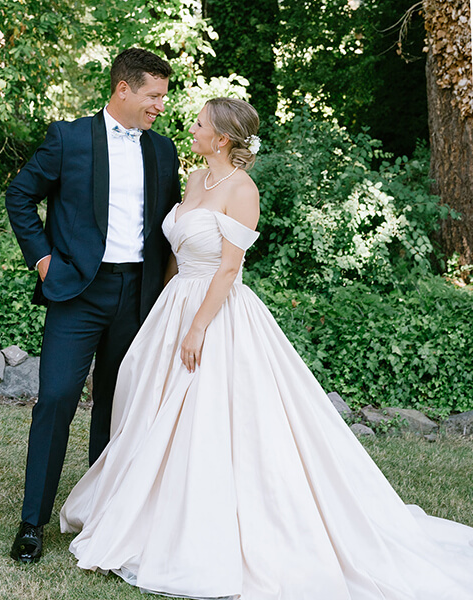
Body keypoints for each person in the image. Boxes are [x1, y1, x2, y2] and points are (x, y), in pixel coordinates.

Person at [59, 97, 473, 599]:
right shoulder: (194, 180)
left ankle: (209, 525)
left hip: (216, 311)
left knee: (211, 418)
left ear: (223, 138)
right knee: (152, 410)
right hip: (174, 305)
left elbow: (229, 269)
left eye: (200, 124)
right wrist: (163, 316)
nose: (191, 128)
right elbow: (175, 251)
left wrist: (197, 329)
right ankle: (145, 507)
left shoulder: (242, 190)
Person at [5, 47, 181, 564]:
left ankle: (103, 518)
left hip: (138, 294)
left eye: (163, 98)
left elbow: (169, 225)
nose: (159, 106)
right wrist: (42, 261)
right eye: (153, 95)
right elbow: (20, 195)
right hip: (77, 291)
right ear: (123, 89)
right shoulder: (69, 138)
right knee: (56, 398)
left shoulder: (164, 150)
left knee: (116, 406)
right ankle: (32, 522)